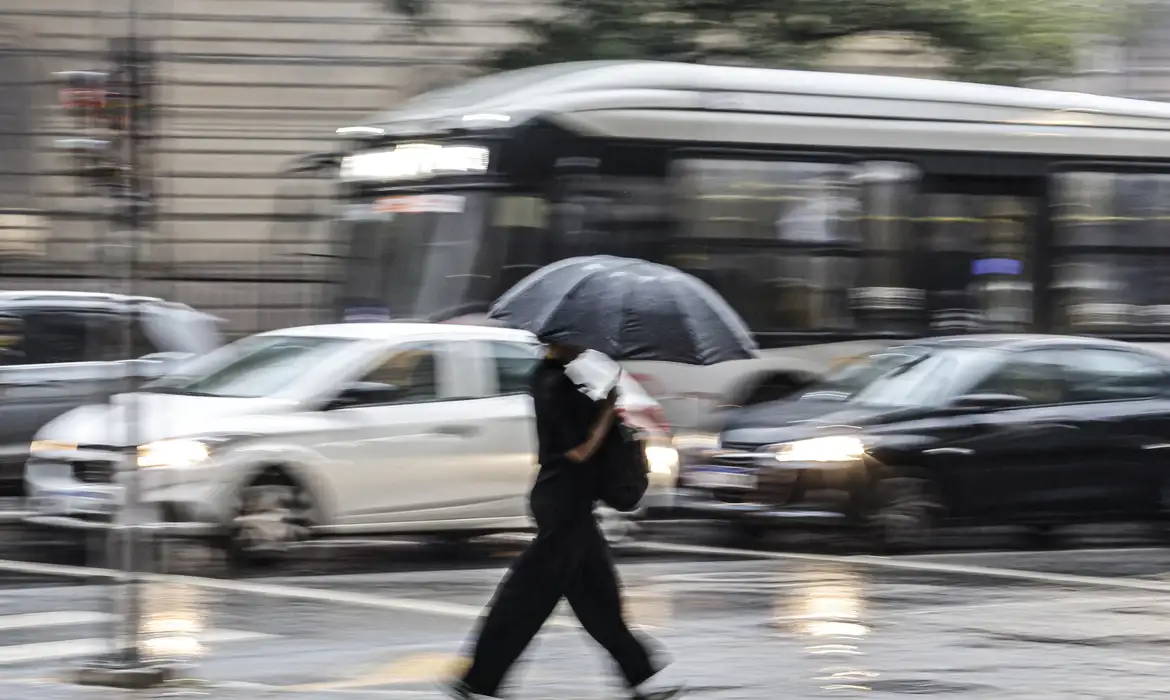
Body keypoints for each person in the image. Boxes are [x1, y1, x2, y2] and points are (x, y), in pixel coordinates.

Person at [444, 342, 682, 700]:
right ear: (559, 339)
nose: (583, 346)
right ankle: (477, 681)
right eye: (577, 340)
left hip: (571, 503)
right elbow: (578, 451)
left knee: (598, 599)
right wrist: (607, 411)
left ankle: (639, 675)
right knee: (527, 597)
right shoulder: (553, 383)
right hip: (563, 505)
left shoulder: (556, 379)